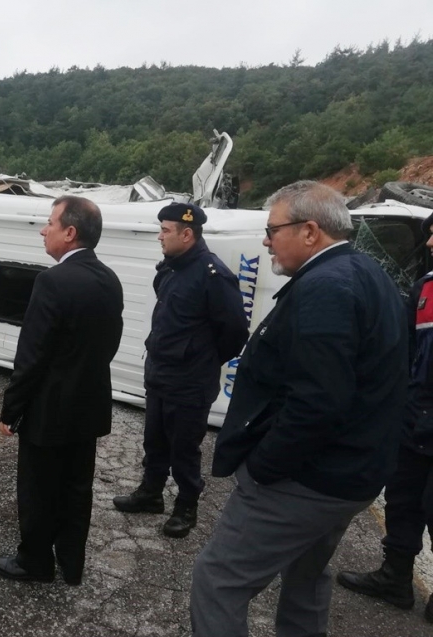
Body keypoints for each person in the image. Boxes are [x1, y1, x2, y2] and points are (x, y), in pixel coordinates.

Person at [189, 181, 408, 637]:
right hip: (353, 472)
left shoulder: (327, 287)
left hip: (308, 479)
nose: (266, 240)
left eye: (273, 229)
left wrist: (265, 468)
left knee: (219, 581)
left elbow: (318, 401)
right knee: (306, 576)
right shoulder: (366, 271)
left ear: (310, 231)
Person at [0, 195, 123, 586]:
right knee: (76, 488)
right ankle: (71, 562)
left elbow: (31, 356)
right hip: (89, 405)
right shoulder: (108, 278)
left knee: (38, 489)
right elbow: (109, 343)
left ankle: (34, 562)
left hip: (49, 410)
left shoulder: (52, 281)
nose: (43, 230)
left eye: (49, 222)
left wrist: (10, 409)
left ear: (70, 232)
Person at [113, 202, 248, 538]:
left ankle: (186, 507)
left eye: (165, 231)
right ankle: (150, 494)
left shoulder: (213, 275)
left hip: (190, 382)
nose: (160, 236)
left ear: (187, 234)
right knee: (154, 440)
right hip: (161, 373)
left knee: (184, 448)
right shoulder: (173, 268)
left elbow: (235, 333)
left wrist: (202, 361)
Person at [335, 211, 433, 625]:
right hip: (414, 420)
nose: (429, 244)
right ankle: (395, 579)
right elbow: (406, 353)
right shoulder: (424, 289)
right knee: (403, 499)